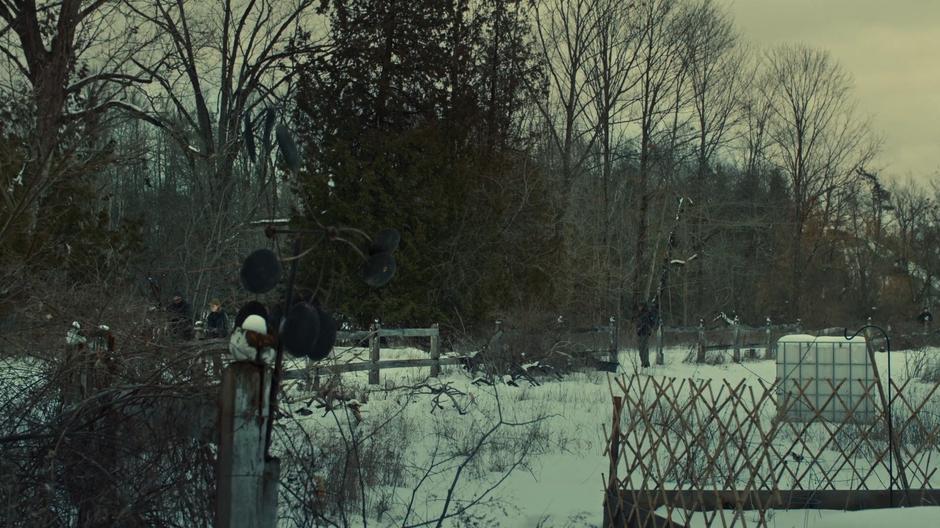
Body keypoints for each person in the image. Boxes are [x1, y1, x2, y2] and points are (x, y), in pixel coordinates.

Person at [636, 302, 657, 368]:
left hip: (645, 332)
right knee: (641, 349)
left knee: (644, 349)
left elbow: (648, 323)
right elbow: (638, 323)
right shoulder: (640, 314)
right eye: (639, 306)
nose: (639, 307)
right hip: (641, 333)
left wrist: (646, 328)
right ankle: (644, 363)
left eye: (640, 306)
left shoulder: (646, 313)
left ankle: (645, 364)